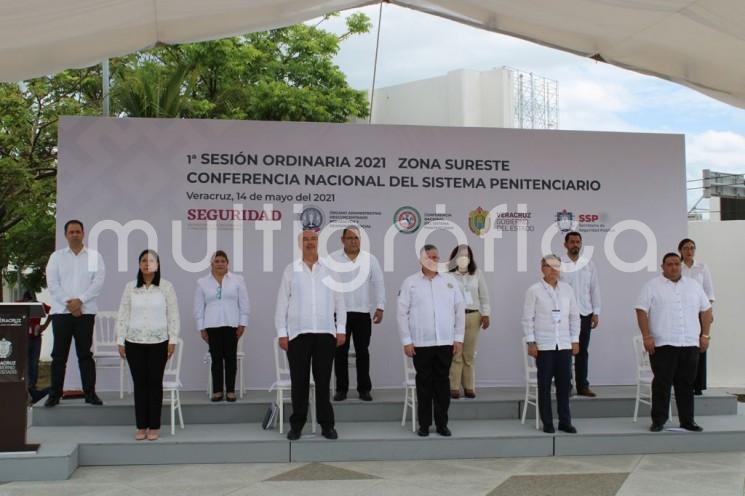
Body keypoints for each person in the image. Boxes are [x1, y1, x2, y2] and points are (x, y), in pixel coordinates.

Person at [275, 230, 346, 441]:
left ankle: (327, 425)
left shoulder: (331, 270)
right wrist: (282, 332)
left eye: (313, 239)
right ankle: (297, 425)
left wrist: (340, 328)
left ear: (318, 243)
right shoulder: (291, 270)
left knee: (323, 382)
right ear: (299, 244)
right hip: (298, 334)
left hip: (325, 333)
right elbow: (282, 303)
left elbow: (340, 301)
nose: (309, 243)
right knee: (300, 382)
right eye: (305, 240)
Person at [636, 252, 712, 433]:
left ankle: (687, 421)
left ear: (681, 266)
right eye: (669, 264)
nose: (673, 267)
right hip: (663, 344)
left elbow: (706, 310)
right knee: (662, 383)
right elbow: (640, 311)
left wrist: (706, 335)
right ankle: (658, 421)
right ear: (662, 267)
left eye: (677, 264)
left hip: (689, 343)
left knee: (686, 384)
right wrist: (646, 336)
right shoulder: (651, 286)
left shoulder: (693, 286)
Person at [397, 244, 464, 437]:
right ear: (421, 260)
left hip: (445, 342)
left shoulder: (450, 281)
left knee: (443, 385)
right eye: (429, 257)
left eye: (436, 257)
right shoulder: (410, 283)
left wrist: (458, 338)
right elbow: (401, 313)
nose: (433, 260)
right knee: (424, 385)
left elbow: (459, 311)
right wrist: (406, 340)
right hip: (421, 343)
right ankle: (424, 424)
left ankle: (442, 424)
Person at [116, 250, 179, 441]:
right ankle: (141, 425)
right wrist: (120, 340)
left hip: (159, 342)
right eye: (143, 260)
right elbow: (123, 314)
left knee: (154, 383)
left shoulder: (166, 287)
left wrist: (173, 339)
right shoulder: (130, 288)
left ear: (158, 265)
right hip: (133, 342)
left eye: (151, 261)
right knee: (139, 384)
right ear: (139, 264)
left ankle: (154, 426)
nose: (147, 264)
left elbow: (173, 314)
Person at [44, 219, 106, 407]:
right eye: (71, 232)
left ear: (83, 233)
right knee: (59, 356)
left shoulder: (94, 256)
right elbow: (52, 283)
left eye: (78, 231)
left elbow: (98, 282)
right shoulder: (56, 257)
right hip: (61, 313)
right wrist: (69, 303)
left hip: (85, 313)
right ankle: (54, 394)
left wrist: (80, 301)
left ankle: (90, 393)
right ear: (65, 235)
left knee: (85, 354)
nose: (75, 234)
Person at [522, 254, 580, 434]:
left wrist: (575, 340)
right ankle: (547, 422)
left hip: (563, 345)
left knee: (564, 385)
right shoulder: (534, 290)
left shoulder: (567, 289)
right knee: (544, 385)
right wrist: (531, 342)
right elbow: (527, 318)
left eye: (556, 266)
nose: (553, 270)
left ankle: (565, 421)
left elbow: (574, 317)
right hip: (544, 345)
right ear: (542, 268)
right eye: (549, 266)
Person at [330, 226, 385, 402]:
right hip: (340, 313)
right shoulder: (333, 259)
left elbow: (379, 283)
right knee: (340, 352)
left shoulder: (370, 260)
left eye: (356, 238)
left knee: (363, 351)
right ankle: (341, 389)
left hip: (362, 313)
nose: (354, 241)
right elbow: (327, 286)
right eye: (350, 238)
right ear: (342, 239)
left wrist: (380, 306)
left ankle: (364, 389)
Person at [194, 250, 249, 402]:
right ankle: (217, 390)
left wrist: (242, 324)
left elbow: (244, 303)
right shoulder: (202, 282)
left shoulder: (238, 280)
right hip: (211, 325)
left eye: (222, 261)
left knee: (230, 358)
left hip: (232, 324)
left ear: (227, 264)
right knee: (216, 359)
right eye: (216, 261)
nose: (220, 264)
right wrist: (201, 327)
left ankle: (230, 390)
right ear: (212, 264)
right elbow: (198, 307)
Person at [560, 231, 601, 397]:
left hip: (585, 312)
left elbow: (595, 289)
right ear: (566, 245)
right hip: (564, 314)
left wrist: (596, 312)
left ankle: (583, 386)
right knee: (565, 351)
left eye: (578, 242)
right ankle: (566, 385)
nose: (575, 245)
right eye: (572, 242)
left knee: (582, 350)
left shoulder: (588, 264)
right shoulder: (559, 264)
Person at [447, 244, 490, 399]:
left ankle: (469, 386)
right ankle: (454, 387)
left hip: (473, 316)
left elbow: (484, 295)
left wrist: (486, 314)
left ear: (470, 258)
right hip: (454, 317)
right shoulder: (448, 275)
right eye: (460, 255)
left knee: (469, 354)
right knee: (456, 353)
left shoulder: (477, 273)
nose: (463, 258)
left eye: (466, 255)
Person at [678, 238, 715, 395]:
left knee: (700, 347)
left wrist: (709, 312)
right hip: (681, 312)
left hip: (700, 312)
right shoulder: (677, 267)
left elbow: (709, 291)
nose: (689, 251)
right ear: (680, 250)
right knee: (682, 348)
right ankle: (681, 382)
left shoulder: (702, 267)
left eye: (692, 248)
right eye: (686, 248)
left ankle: (697, 385)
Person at [20, 291, 51, 404]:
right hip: (24, 338)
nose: (30, 303)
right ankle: (25, 387)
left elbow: (52, 311)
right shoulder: (18, 304)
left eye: (32, 301)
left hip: (36, 337)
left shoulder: (40, 305)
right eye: (27, 301)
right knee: (25, 362)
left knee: (34, 362)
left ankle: (32, 387)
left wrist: (45, 325)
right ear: (23, 300)